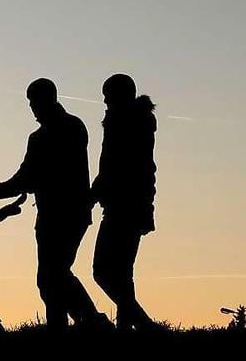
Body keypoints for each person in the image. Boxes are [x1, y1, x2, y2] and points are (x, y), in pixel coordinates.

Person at [0, 78, 109, 330]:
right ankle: (79, 322)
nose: (33, 108)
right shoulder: (69, 128)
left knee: (54, 274)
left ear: (48, 99)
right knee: (53, 275)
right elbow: (30, 176)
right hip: (61, 213)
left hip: (65, 213)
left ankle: (88, 321)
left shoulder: (57, 132)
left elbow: (30, 175)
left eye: (34, 102)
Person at [91, 74, 158, 331]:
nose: (106, 102)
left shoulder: (124, 123)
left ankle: (142, 325)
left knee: (105, 271)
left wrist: (94, 193)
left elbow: (114, 167)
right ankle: (131, 327)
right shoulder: (134, 122)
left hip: (123, 205)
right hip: (132, 203)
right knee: (120, 272)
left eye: (108, 96)